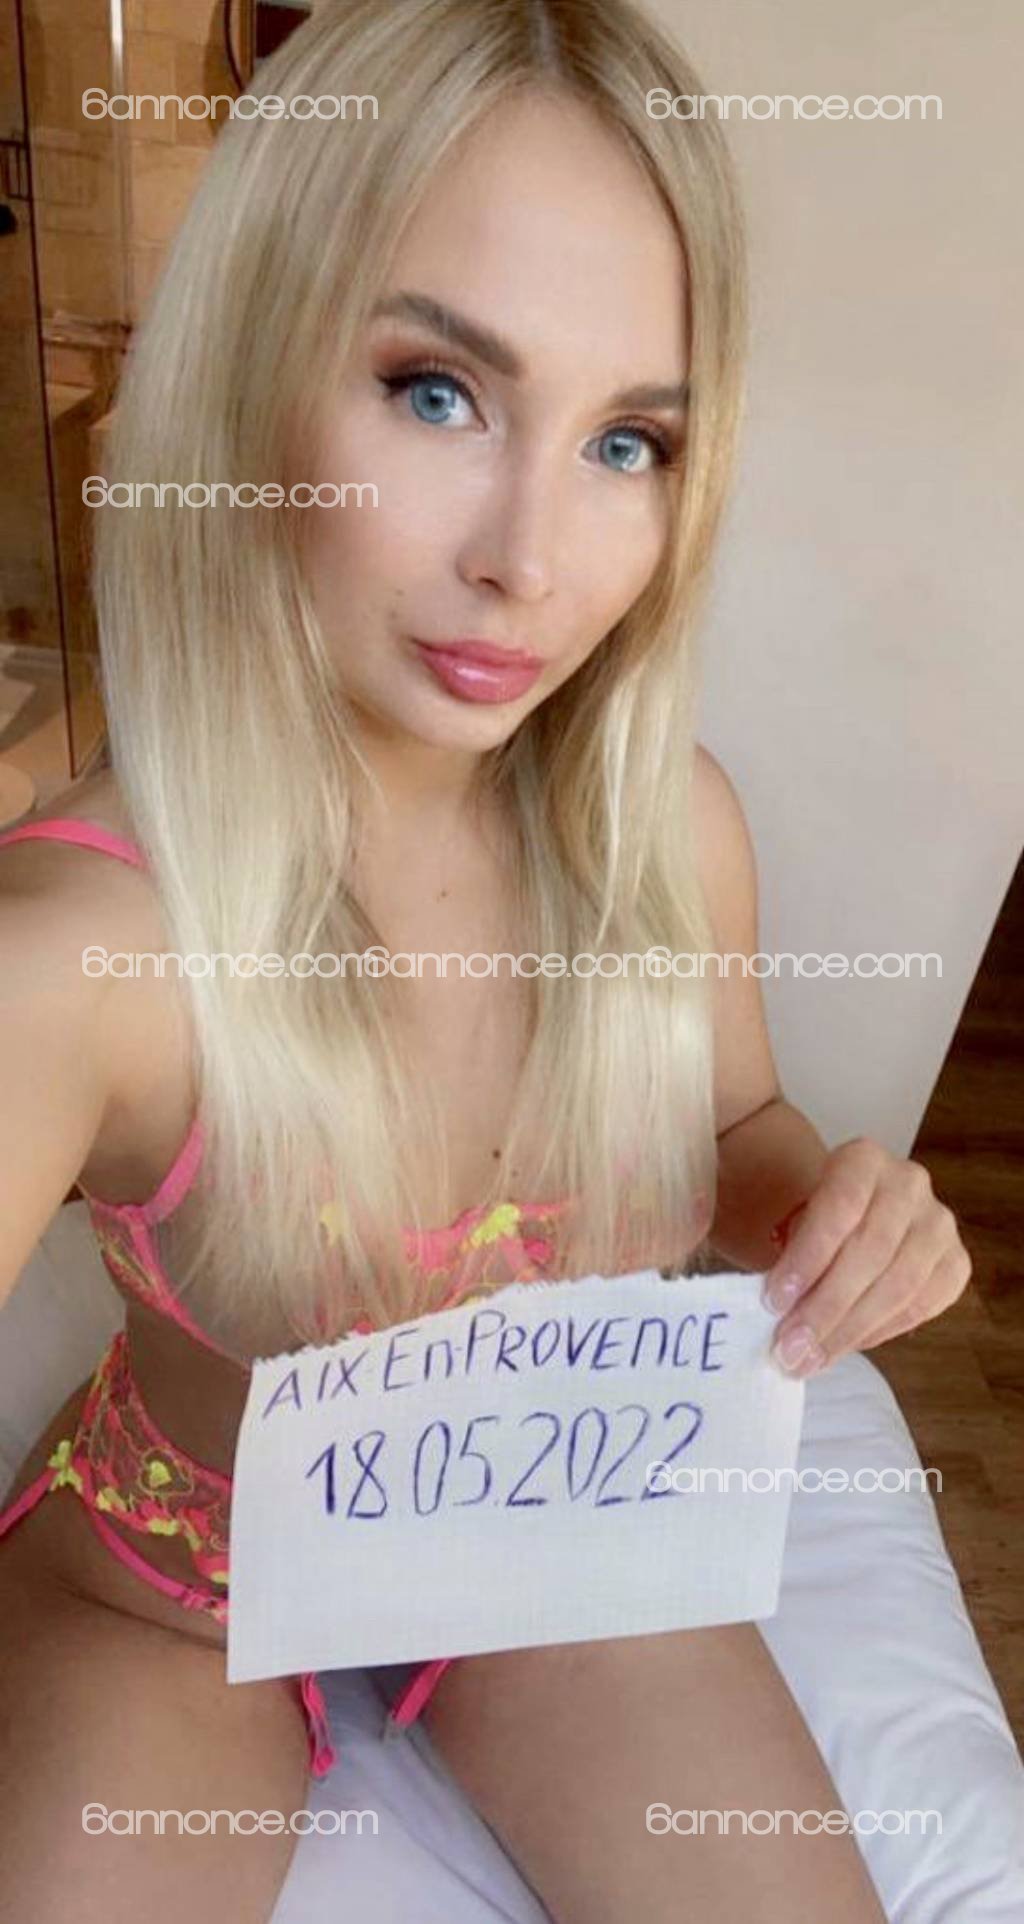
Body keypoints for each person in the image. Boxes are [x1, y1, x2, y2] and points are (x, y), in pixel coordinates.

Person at [0, 1, 969, 1917]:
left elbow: (738, 1132)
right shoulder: (81, 951)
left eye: (626, 440)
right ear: (255, 371)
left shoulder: (666, 832)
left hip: (550, 1541)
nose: (534, 556)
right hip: (175, 1589)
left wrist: (834, 1220)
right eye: (437, 392)